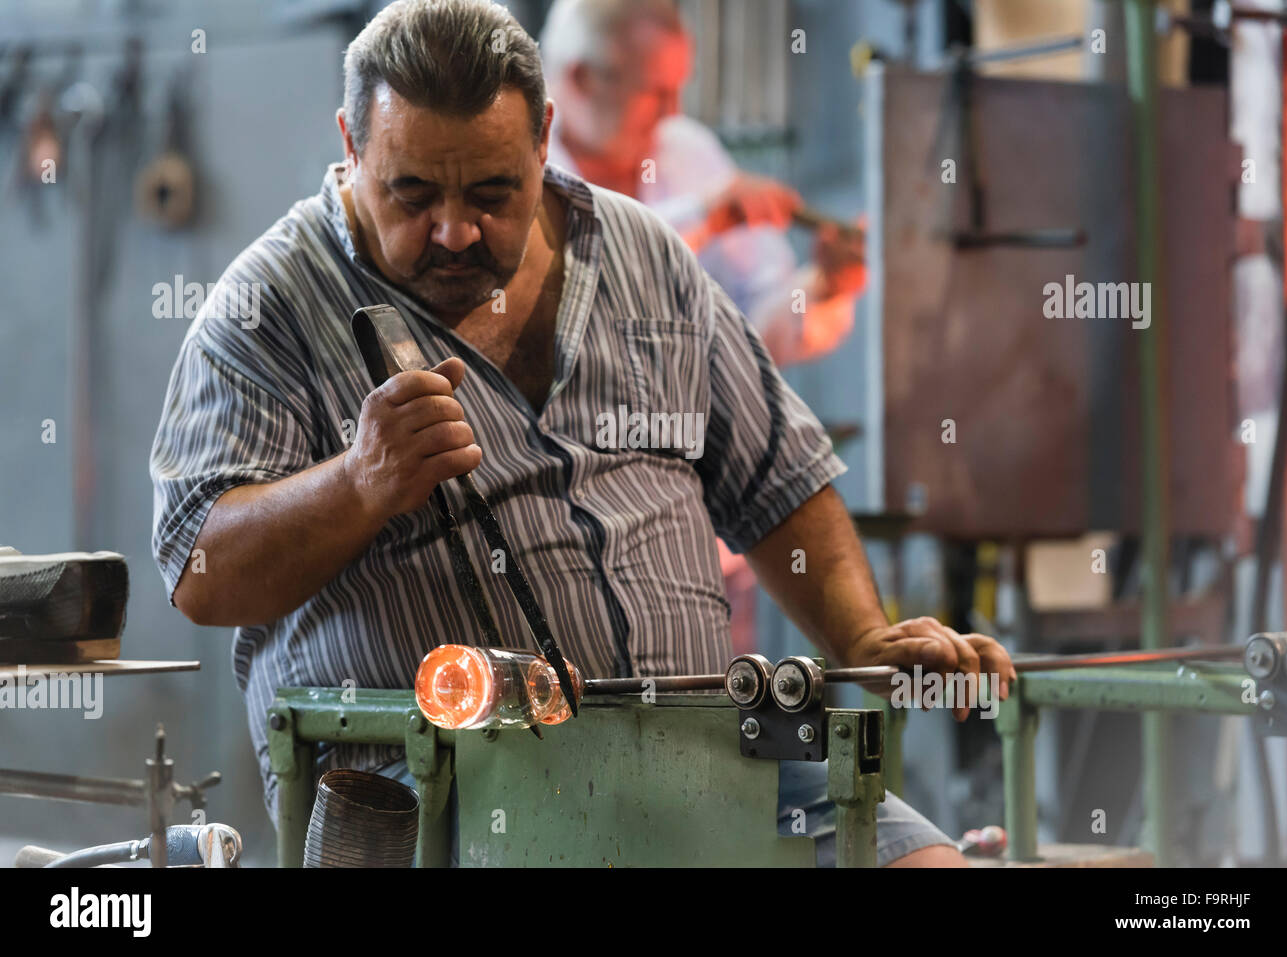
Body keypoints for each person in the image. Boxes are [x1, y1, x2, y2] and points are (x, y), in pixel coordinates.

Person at [148, 0, 1013, 867]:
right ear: (351, 143)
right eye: (411, 193)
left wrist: (861, 638)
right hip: (439, 792)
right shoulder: (269, 308)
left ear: (542, 138)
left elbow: (777, 477)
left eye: (493, 193)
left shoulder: (643, 255)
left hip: (711, 754)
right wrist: (359, 482)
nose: (454, 230)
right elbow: (200, 570)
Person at [540, 0, 866, 650]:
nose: (671, 110)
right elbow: (571, 287)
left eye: (678, 87)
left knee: (711, 736)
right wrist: (707, 216)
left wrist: (821, 287)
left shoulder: (684, 151)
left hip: (706, 552)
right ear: (580, 79)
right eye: (655, 91)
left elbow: (756, 329)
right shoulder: (522, 163)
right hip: (567, 547)